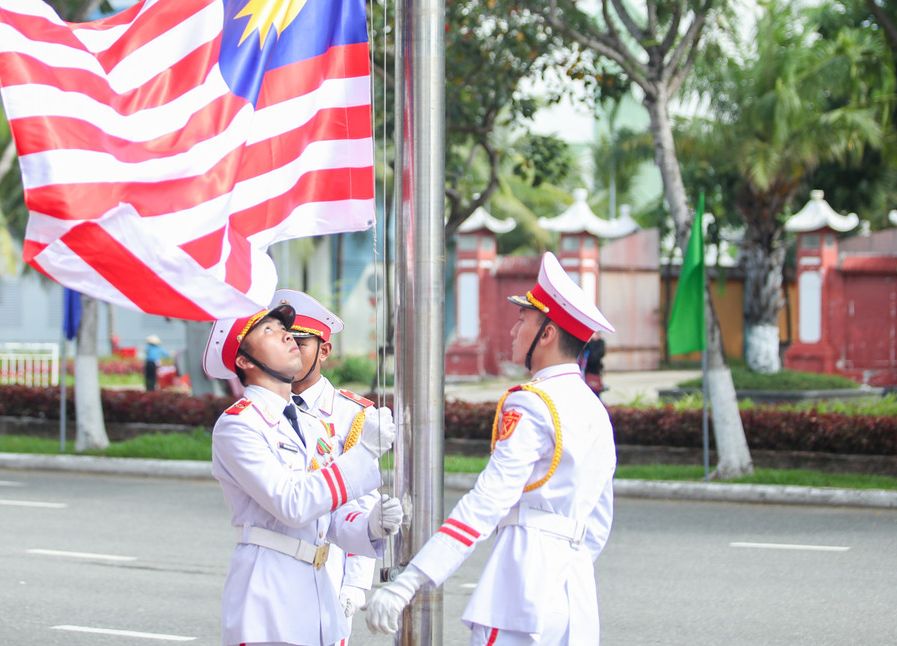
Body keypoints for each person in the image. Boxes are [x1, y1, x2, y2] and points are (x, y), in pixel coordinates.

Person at [366, 251, 618, 646]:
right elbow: (599, 521)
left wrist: (411, 579)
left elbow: (488, 500)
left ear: (547, 334)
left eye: (523, 321)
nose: (514, 331)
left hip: (522, 588)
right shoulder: (593, 408)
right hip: (576, 594)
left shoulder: (533, 402)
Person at [204, 301, 403, 646]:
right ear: (245, 361)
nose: (287, 338)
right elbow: (293, 504)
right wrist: (366, 452)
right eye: (270, 331)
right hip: (270, 591)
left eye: (286, 331)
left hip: (317, 585)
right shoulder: (239, 425)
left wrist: (371, 524)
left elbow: (328, 517)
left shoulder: (304, 422)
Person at [275, 287, 380, 639]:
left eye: (300, 344)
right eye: (283, 340)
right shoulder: (266, 408)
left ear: (324, 350)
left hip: (330, 559)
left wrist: (357, 583)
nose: (288, 351)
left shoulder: (353, 415)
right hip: (274, 557)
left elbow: (363, 502)